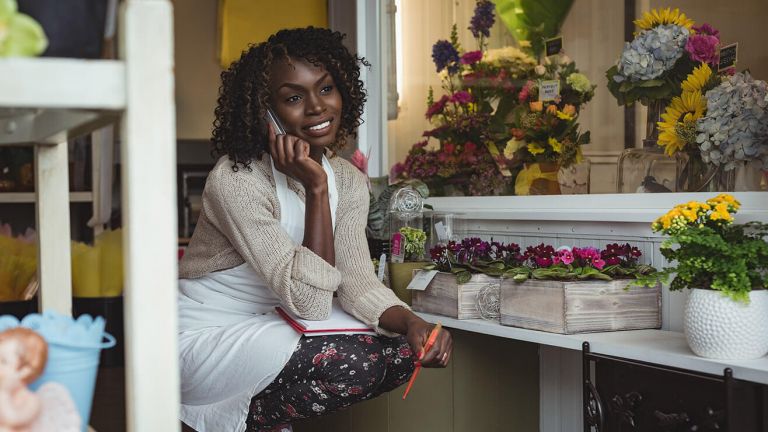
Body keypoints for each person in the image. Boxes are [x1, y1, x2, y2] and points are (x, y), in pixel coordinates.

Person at [178, 27, 453, 432]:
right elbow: (310, 303)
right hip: (208, 337)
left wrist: (414, 323)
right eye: (292, 97)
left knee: (400, 353)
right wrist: (316, 188)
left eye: (325, 89)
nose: (316, 107)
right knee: (356, 362)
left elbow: (357, 282)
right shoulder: (237, 179)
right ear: (265, 112)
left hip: (276, 325)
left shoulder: (347, 178)